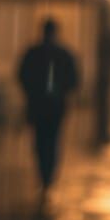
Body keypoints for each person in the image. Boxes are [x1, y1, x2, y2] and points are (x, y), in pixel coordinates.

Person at [18, 18, 80, 195]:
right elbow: (73, 80)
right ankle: (47, 175)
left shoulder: (34, 53)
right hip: (53, 106)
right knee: (50, 141)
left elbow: (22, 75)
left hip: (43, 105)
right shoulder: (62, 54)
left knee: (42, 141)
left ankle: (45, 175)